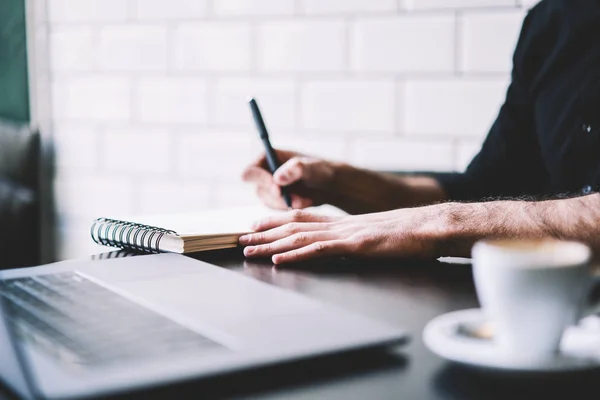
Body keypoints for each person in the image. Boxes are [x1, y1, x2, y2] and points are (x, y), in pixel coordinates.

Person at [239, 0, 600, 265]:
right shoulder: (553, 22)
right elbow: (487, 189)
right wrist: (337, 182)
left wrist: (439, 224)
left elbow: (460, 214)